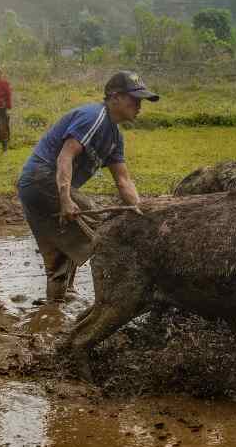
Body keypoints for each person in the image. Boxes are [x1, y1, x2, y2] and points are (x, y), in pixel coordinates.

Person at [16, 70, 158, 304]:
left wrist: (141, 209)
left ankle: (53, 311)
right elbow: (64, 157)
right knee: (101, 230)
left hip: (34, 186)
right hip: (41, 178)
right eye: (134, 99)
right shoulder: (95, 117)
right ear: (115, 98)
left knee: (59, 258)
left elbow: (123, 180)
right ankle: (115, 299)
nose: (139, 106)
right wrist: (65, 199)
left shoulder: (115, 137)